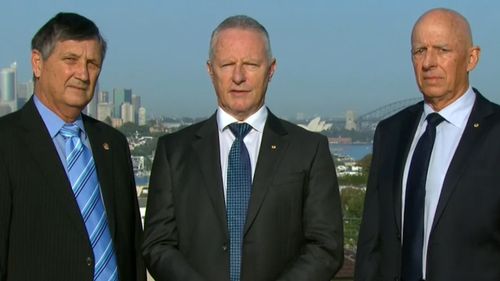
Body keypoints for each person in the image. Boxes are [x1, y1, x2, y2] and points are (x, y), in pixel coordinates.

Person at [142, 15, 343, 281]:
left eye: (250, 64)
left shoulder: (309, 149)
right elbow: (157, 244)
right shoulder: (174, 151)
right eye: (227, 64)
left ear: (271, 70)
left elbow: (326, 246)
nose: (238, 77)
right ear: (210, 70)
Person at [355, 8, 500, 281]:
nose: (428, 62)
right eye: (419, 51)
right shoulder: (390, 132)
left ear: (472, 58)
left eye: (442, 50)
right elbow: (372, 240)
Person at [0, 12, 146, 281]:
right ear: (37, 63)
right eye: (70, 60)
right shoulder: (6, 142)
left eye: (93, 64)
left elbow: (132, 247)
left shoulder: (113, 144)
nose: (83, 74)